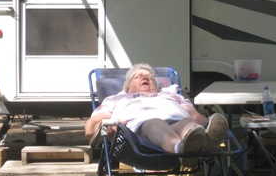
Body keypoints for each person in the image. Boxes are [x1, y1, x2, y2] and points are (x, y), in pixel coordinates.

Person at [84, 63, 228, 156]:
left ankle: (200, 143)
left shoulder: (171, 95)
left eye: (149, 77)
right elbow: (92, 125)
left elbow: (195, 117)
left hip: (178, 122)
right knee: (155, 123)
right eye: (137, 76)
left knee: (189, 125)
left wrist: (211, 123)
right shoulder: (116, 99)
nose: (144, 78)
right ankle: (181, 149)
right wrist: (104, 131)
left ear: (156, 84)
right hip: (140, 134)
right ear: (127, 86)